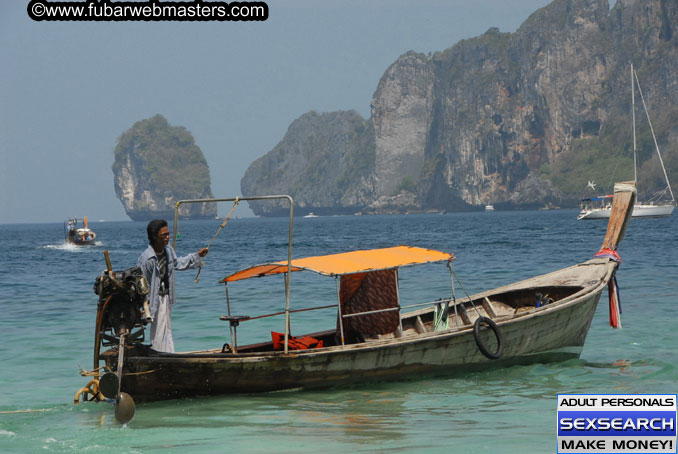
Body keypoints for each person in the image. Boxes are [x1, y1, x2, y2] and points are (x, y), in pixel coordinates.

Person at [137, 219, 208, 353]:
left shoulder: (168, 250)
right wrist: (143, 306)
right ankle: (159, 355)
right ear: (154, 237)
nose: (168, 237)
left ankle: (169, 353)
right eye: (164, 235)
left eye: (168, 234)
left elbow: (177, 263)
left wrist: (197, 256)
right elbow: (142, 283)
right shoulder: (147, 259)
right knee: (158, 330)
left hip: (166, 297)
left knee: (167, 329)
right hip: (154, 299)